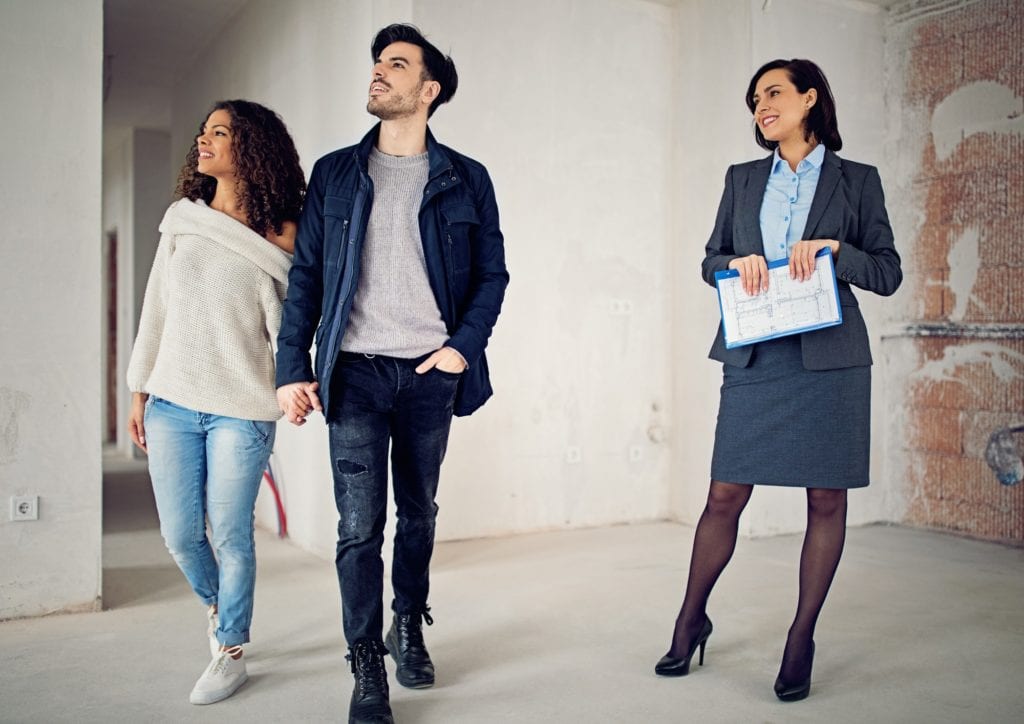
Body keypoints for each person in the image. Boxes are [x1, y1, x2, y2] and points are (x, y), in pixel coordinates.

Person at [275, 24, 508, 724]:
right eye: (377, 63)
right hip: (354, 377)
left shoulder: (467, 178)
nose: (379, 73)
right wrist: (292, 367)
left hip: (430, 376)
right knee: (356, 528)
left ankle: (407, 622)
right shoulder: (336, 173)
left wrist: (462, 346)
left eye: (397, 64)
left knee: (419, 514)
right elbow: (308, 276)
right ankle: (365, 662)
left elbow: (492, 274)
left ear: (429, 90)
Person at [656, 59, 901, 702]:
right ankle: (690, 617)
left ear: (809, 99)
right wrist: (730, 264)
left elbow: (888, 271)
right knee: (723, 497)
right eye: (755, 99)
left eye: (773, 93)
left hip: (832, 361)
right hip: (756, 358)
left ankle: (801, 636)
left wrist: (835, 252)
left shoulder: (857, 181)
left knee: (826, 500)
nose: (761, 106)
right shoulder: (741, 180)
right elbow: (710, 260)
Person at [126, 99, 305, 705]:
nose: (204, 141)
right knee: (181, 537)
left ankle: (231, 649)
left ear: (251, 146)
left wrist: (300, 380)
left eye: (220, 132)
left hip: (243, 405)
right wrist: (138, 385)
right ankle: (219, 606)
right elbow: (156, 308)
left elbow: (297, 322)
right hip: (172, 401)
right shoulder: (183, 220)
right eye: (203, 132)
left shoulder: (284, 232)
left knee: (231, 533)